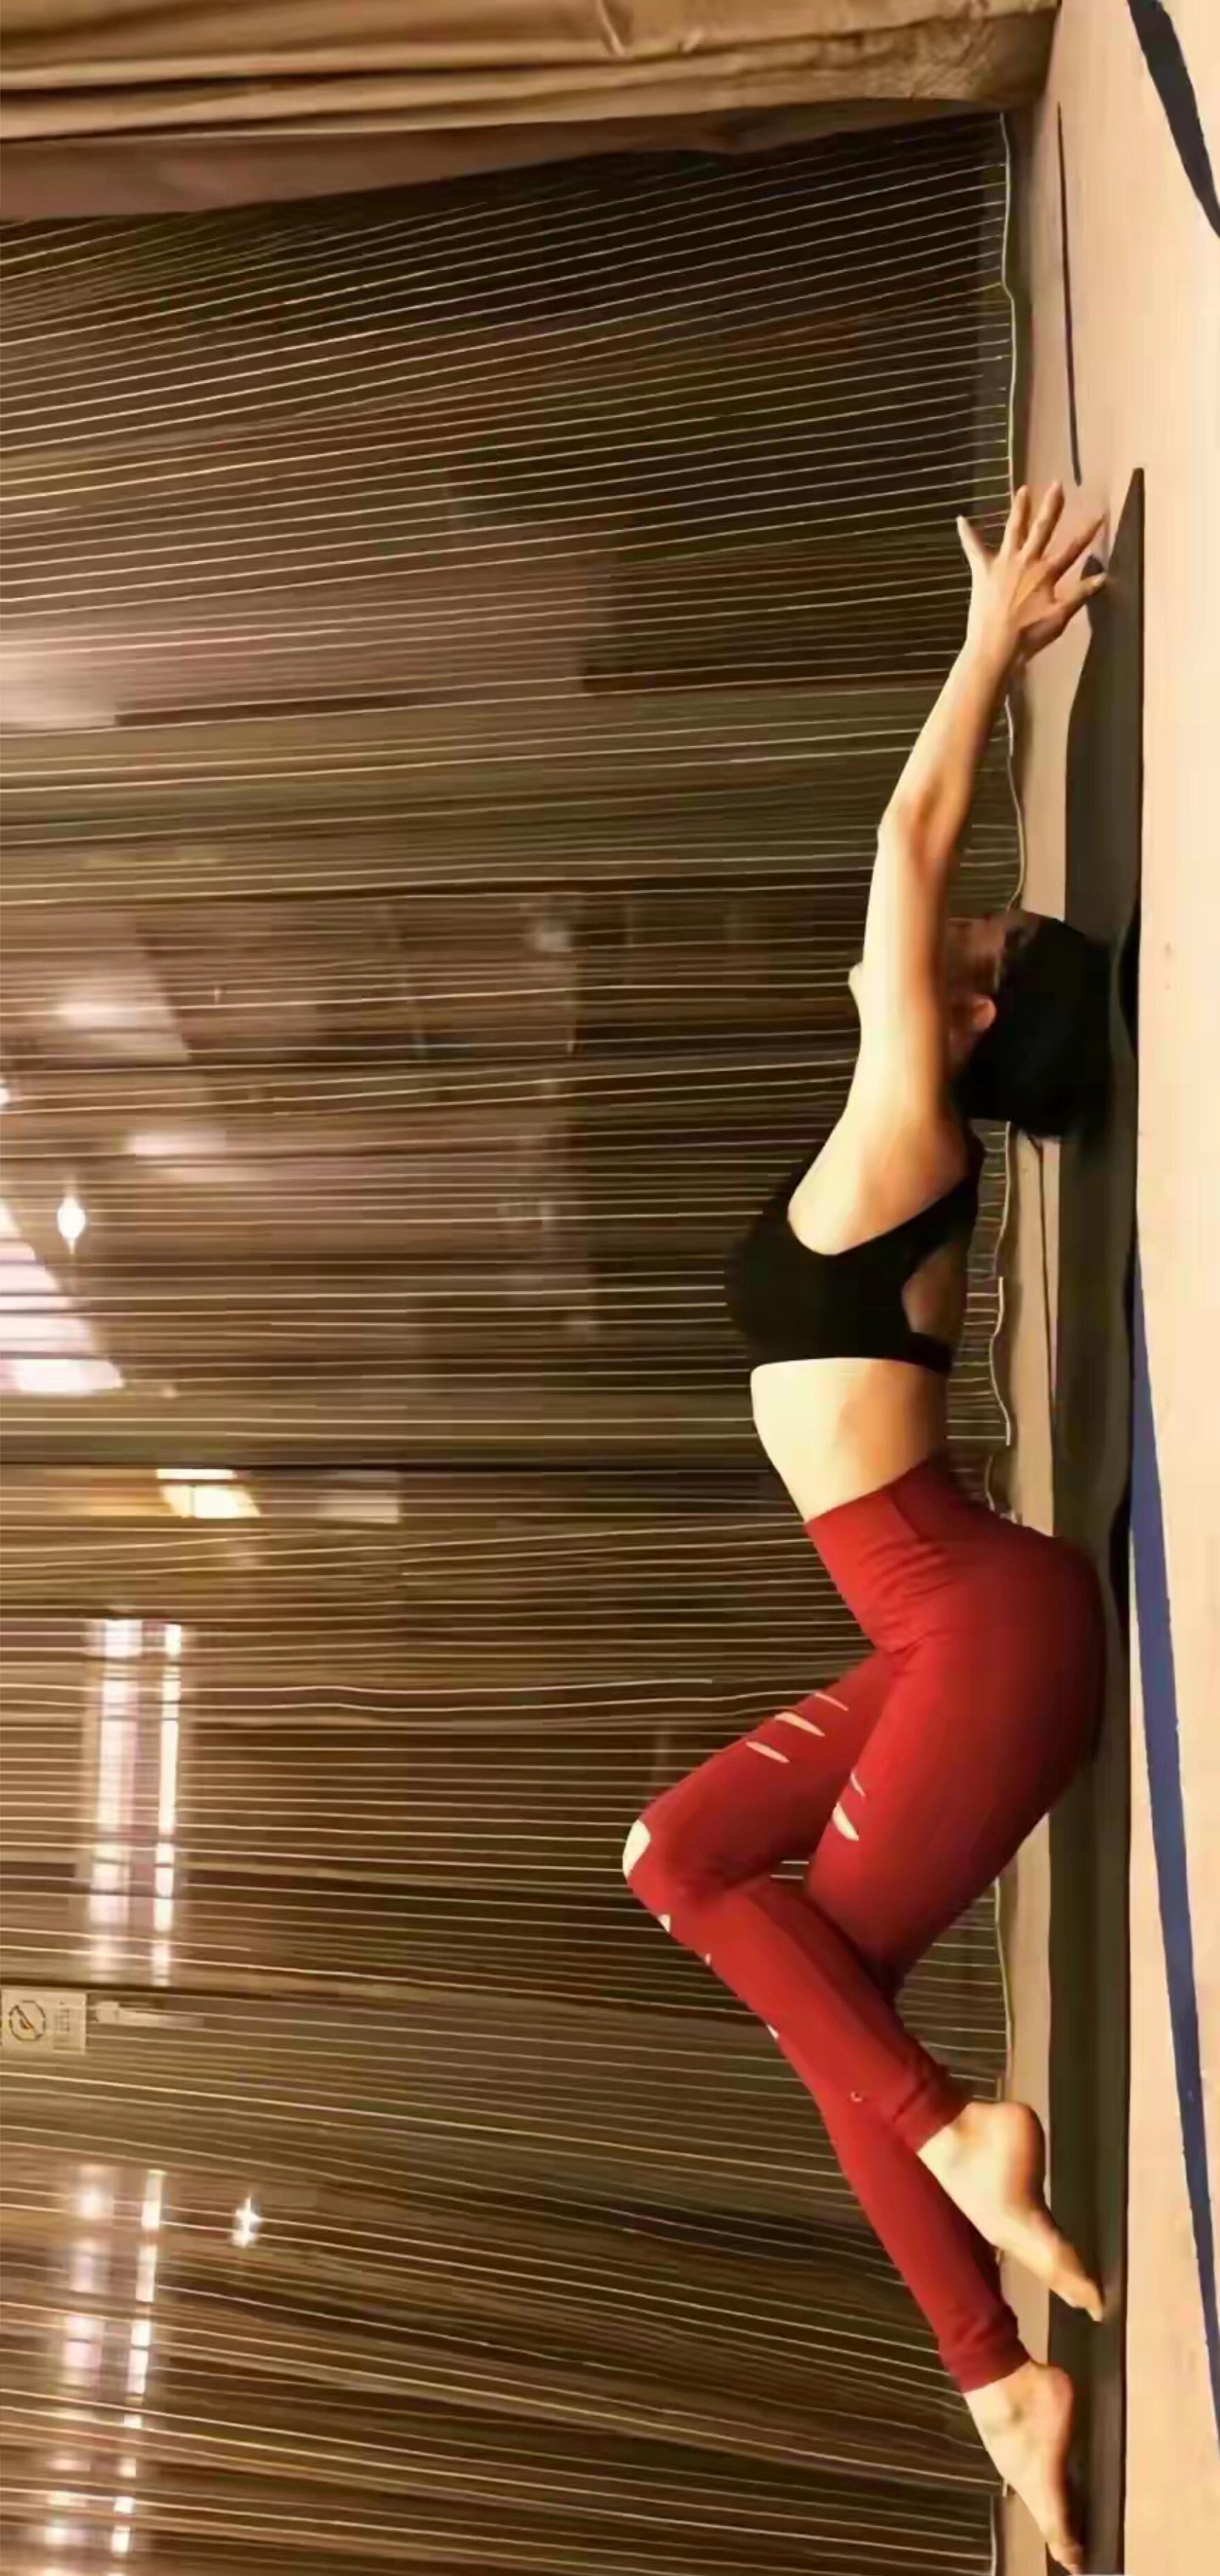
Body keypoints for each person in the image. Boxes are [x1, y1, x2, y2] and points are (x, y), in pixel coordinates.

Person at [623, 483, 1111, 2573]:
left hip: (980, 1625)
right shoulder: (887, 1123)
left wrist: (990, 643)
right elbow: (910, 892)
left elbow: (904, 851)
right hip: (947, 1630)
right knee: (737, 1911)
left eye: (979, 953)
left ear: (972, 1023)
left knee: (727, 1911)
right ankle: (991, 2350)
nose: (945, 936)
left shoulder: (911, 1113)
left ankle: (979, 2273)